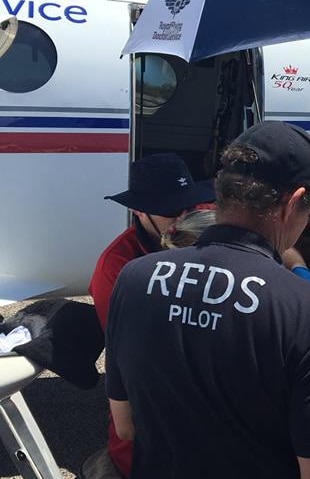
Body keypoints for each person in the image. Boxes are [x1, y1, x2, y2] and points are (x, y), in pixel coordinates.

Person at [104, 121, 310, 479]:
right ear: (292, 203)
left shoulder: (135, 278)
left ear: (222, 192)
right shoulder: (307, 309)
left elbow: (126, 426)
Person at [85, 152, 215, 479]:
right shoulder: (114, 270)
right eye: (172, 210)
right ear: (137, 210)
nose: (183, 218)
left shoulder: (200, 222)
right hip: (149, 434)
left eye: (190, 206)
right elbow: (139, 368)